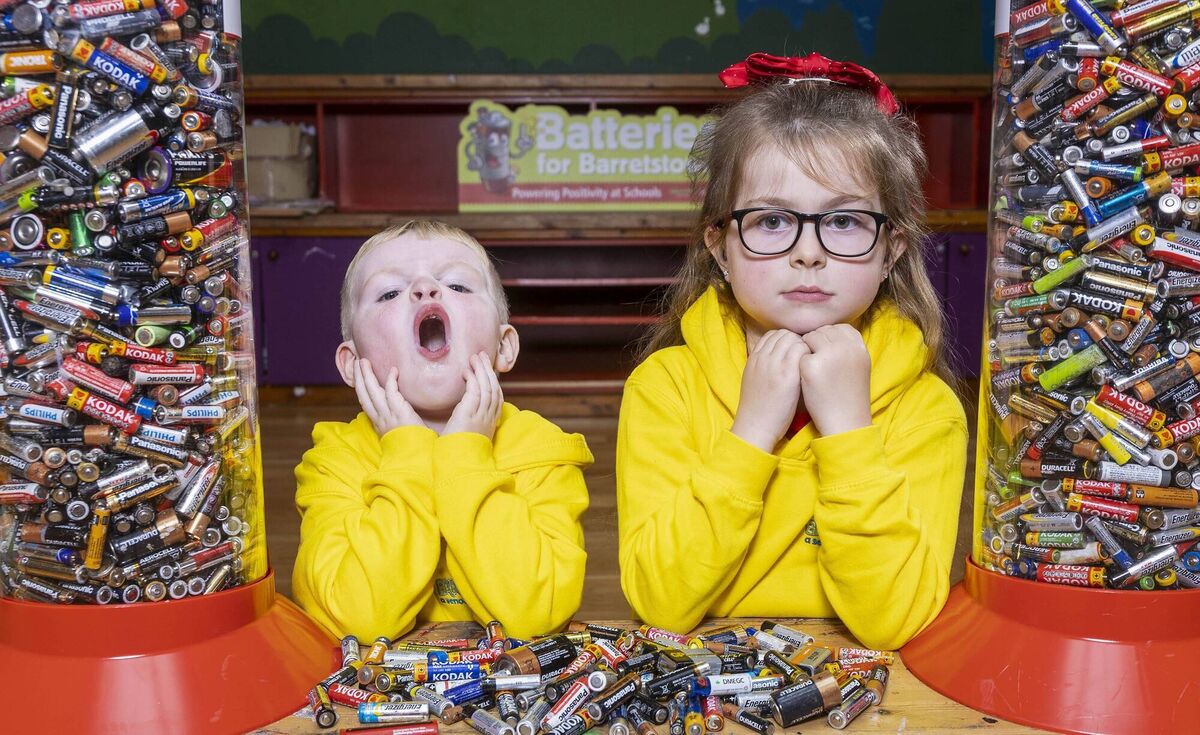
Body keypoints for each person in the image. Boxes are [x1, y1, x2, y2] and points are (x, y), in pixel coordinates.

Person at [617, 52, 968, 650]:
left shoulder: (927, 410)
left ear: (893, 251)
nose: (809, 252)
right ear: (721, 248)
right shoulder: (665, 387)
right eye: (773, 220)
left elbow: (896, 622)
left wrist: (850, 433)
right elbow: (661, 603)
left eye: (845, 222)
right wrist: (750, 434)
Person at [293, 220, 592, 640]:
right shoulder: (334, 463)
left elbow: (536, 614)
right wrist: (406, 453)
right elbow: (355, 620)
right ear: (351, 362)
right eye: (390, 293)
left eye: (458, 285)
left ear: (503, 346)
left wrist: (466, 455)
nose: (425, 290)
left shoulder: (542, 452)